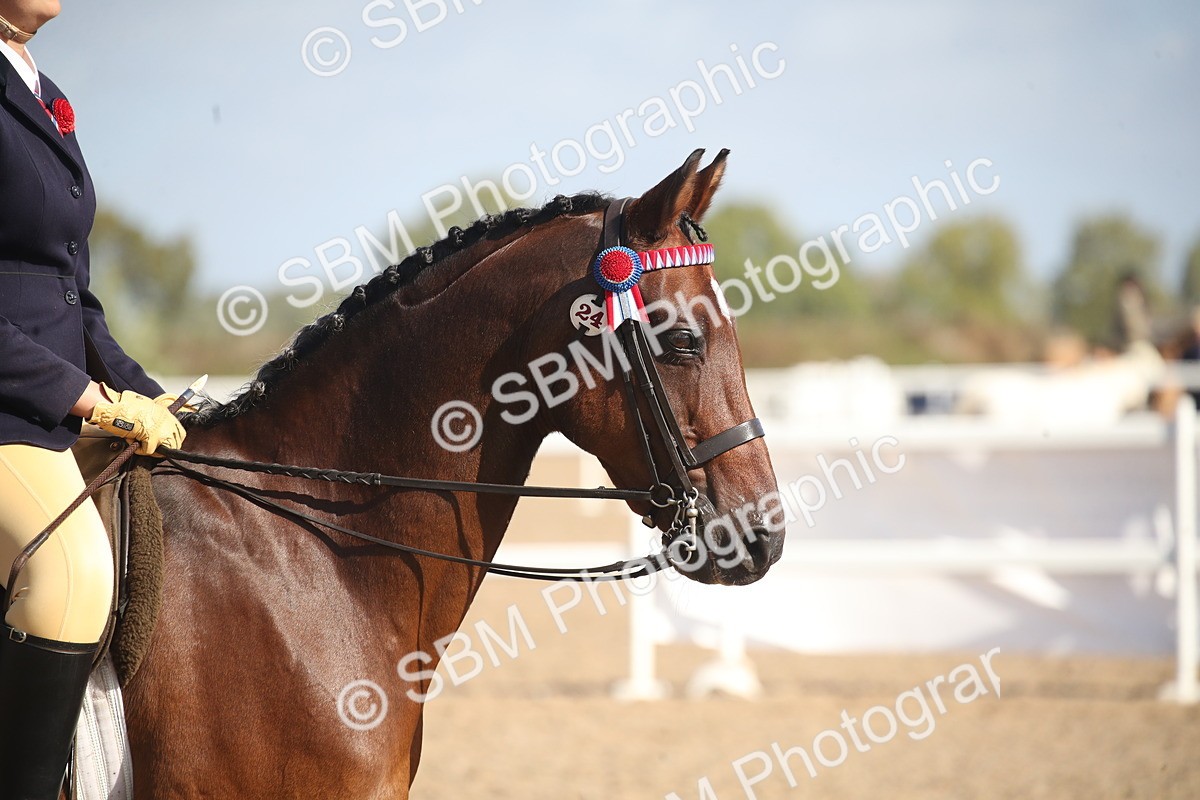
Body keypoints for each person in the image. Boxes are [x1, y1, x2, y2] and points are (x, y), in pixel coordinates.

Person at [0, 2, 188, 796]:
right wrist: (87, 400)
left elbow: (69, 293)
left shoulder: (44, 92)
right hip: (10, 408)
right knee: (70, 573)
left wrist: (145, 393)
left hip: (44, 399)